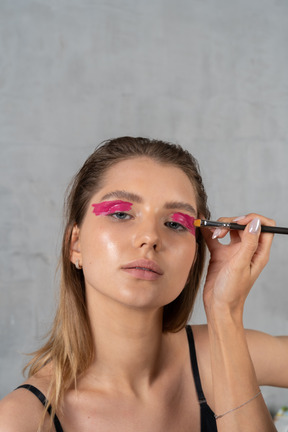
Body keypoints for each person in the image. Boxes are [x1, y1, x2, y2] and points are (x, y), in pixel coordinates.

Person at [0, 136, 287, 432]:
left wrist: (225, 312)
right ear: (76, 245)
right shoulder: (22, 420)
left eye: (175, 223)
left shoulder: (224, 352)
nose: (150, 237)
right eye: (121, 214)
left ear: (195, 255)